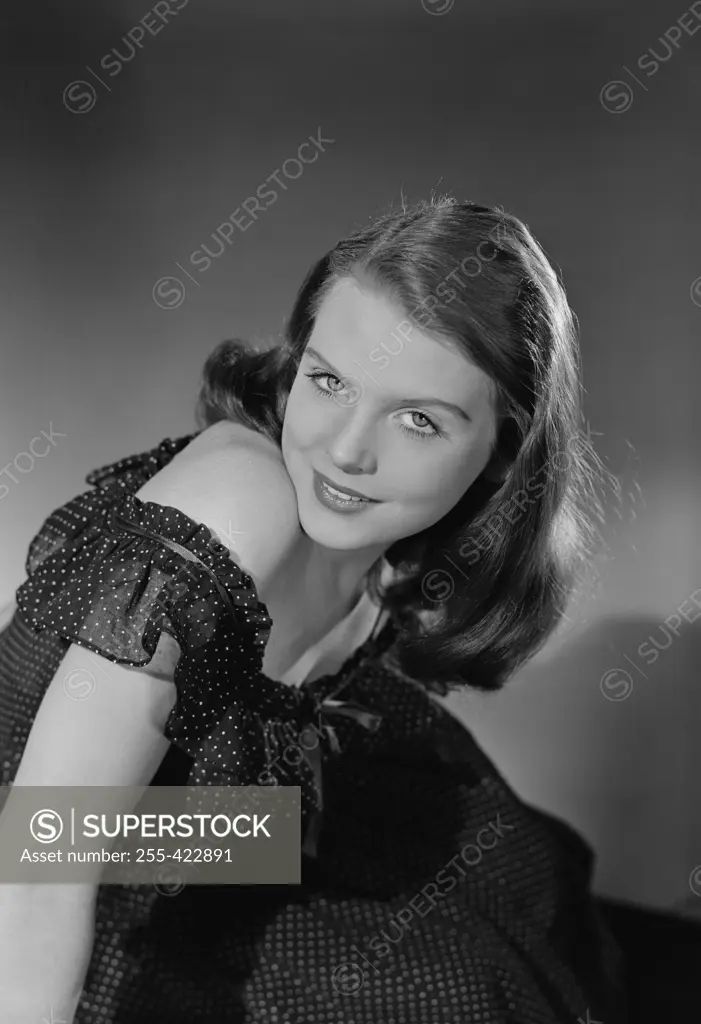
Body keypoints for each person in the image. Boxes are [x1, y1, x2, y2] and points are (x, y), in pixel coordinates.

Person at [0, 195, 627, 1023]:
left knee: (529, 867)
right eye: (328, 381)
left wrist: (269, 836)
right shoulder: (235, 503)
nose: (343, 450)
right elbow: (40, 864)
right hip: (44, 842)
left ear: (502, 452)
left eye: (416, 420)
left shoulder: (395, 548)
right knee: (463, 994)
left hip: (191, 821)